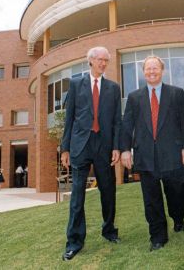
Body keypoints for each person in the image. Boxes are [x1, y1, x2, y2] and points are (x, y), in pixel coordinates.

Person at [120, 56, 184, 251]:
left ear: (162, 70)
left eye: (155, 68)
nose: (152, 71)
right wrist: (126, 149)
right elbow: (126, 126)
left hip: (172, 154)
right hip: (145, 157)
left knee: (176, 192)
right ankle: (158, 236)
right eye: (148, 69)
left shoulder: (176, 94)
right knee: (151, 200)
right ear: (144, 72)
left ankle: (178, 217)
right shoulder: (134, 97)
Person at [60, 46, 122, 261]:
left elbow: (117, 121)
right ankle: (74, 241)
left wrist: (116, 147)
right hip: (80, 145)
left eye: (106, 60)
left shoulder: (114, 88)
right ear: (90, 61)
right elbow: (69, 119)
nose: (103, 63)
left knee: (108, 191)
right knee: (77, 195)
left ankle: (109, 230)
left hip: (104, 146)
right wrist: (65, 148)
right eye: (100, 59)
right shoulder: (76, 84)